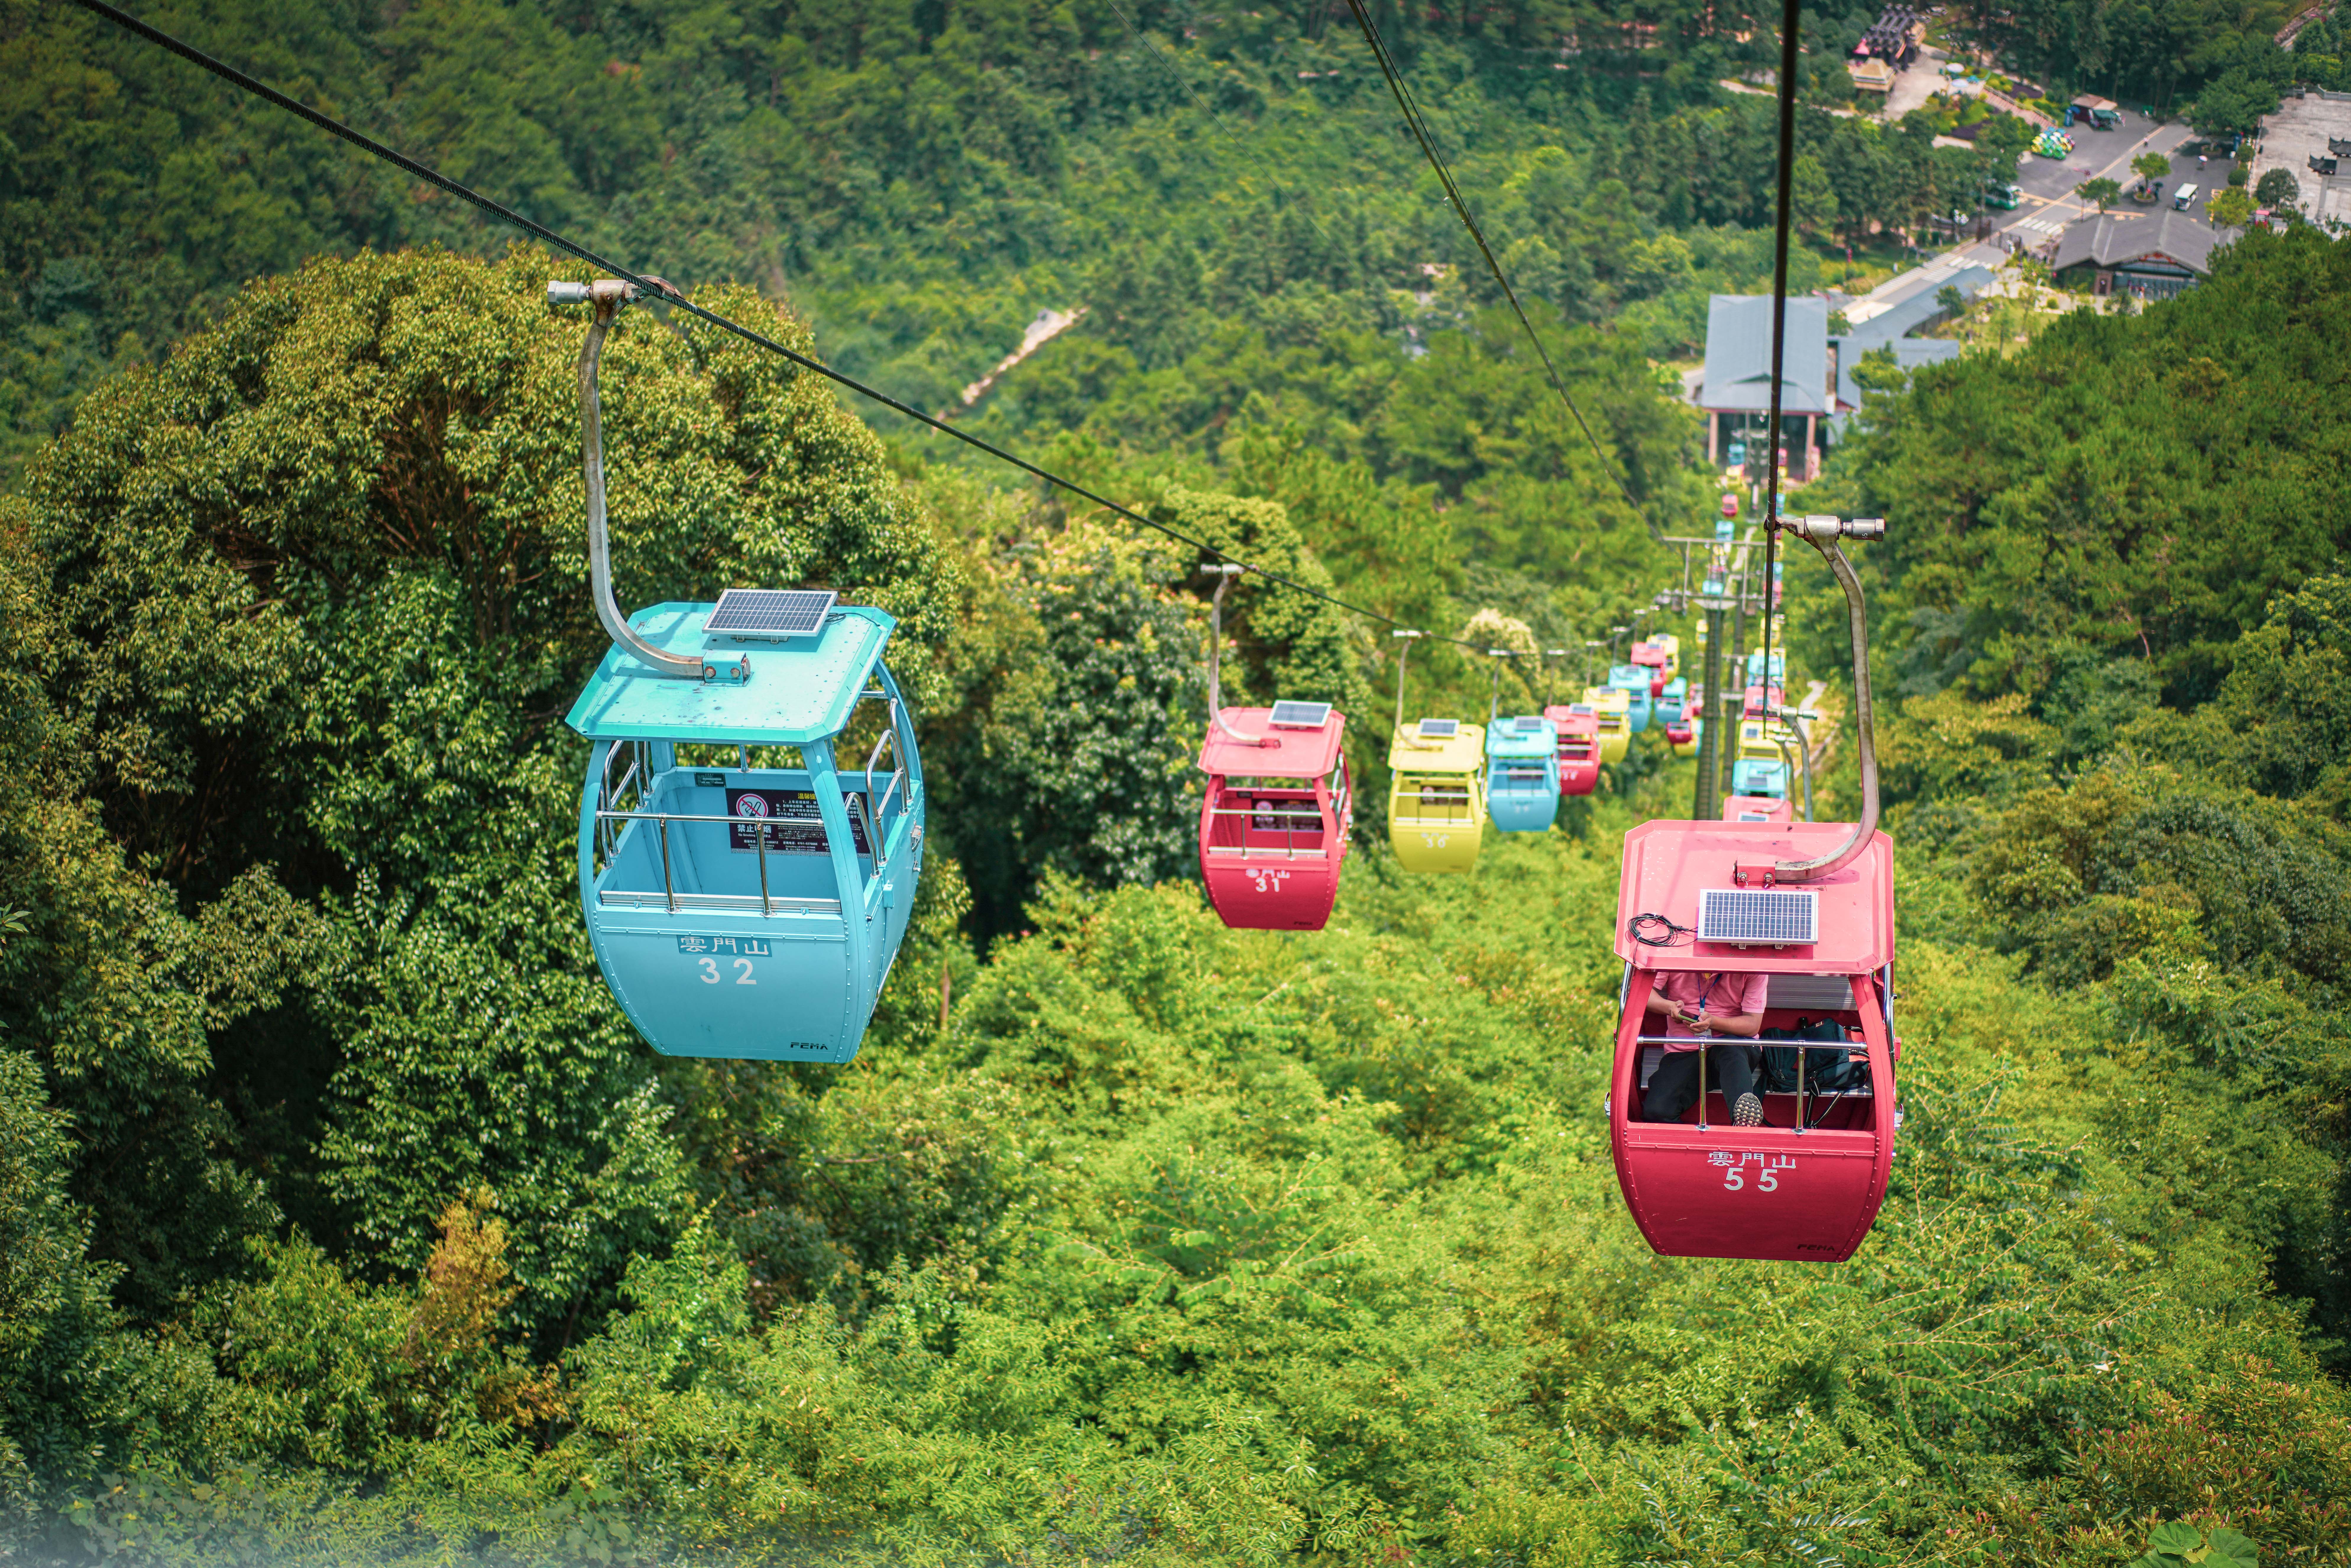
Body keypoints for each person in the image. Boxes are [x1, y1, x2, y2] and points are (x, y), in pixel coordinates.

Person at [1639, 969, 1771, 1125]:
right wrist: (1670, 1008)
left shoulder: (1754, 966)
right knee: (1656, 1112)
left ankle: (1743, 1121)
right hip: (1684, 1050)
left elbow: (1752, 1025)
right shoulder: (1674, 951)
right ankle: (1689, 1147)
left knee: (1731, 1048)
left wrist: (1713, 1023)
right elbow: (1643, 995)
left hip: (1733, 1047)